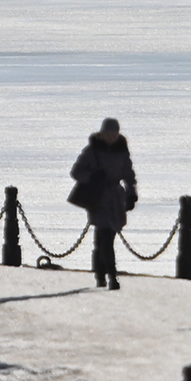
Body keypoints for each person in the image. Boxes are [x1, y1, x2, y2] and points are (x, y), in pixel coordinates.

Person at [69, 119, 138, 289]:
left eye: (114, 133)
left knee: (106, 238)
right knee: (105, 238)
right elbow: (76, 171)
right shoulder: (92, 150)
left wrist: (131, 194)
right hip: (97, 198)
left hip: (115, 199)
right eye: (108, 134)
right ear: (102, 133)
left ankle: (100, 273)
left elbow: (129, 174)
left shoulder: (122, 150)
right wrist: (92, 177)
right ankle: (112, 277)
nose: (111, 137)